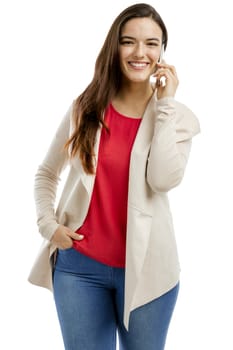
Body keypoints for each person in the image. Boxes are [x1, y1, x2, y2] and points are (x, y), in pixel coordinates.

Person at [28, 3, 200, 350]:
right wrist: (49, 226)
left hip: (150, 272)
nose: (140, 53)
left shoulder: (175, 117)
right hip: (79, 269)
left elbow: (164, 179)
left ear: (162, 51)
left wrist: (165, 104)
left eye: (152, 43)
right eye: (129, 42)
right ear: (115, 47)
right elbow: (47, 172)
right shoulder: (86, 107)